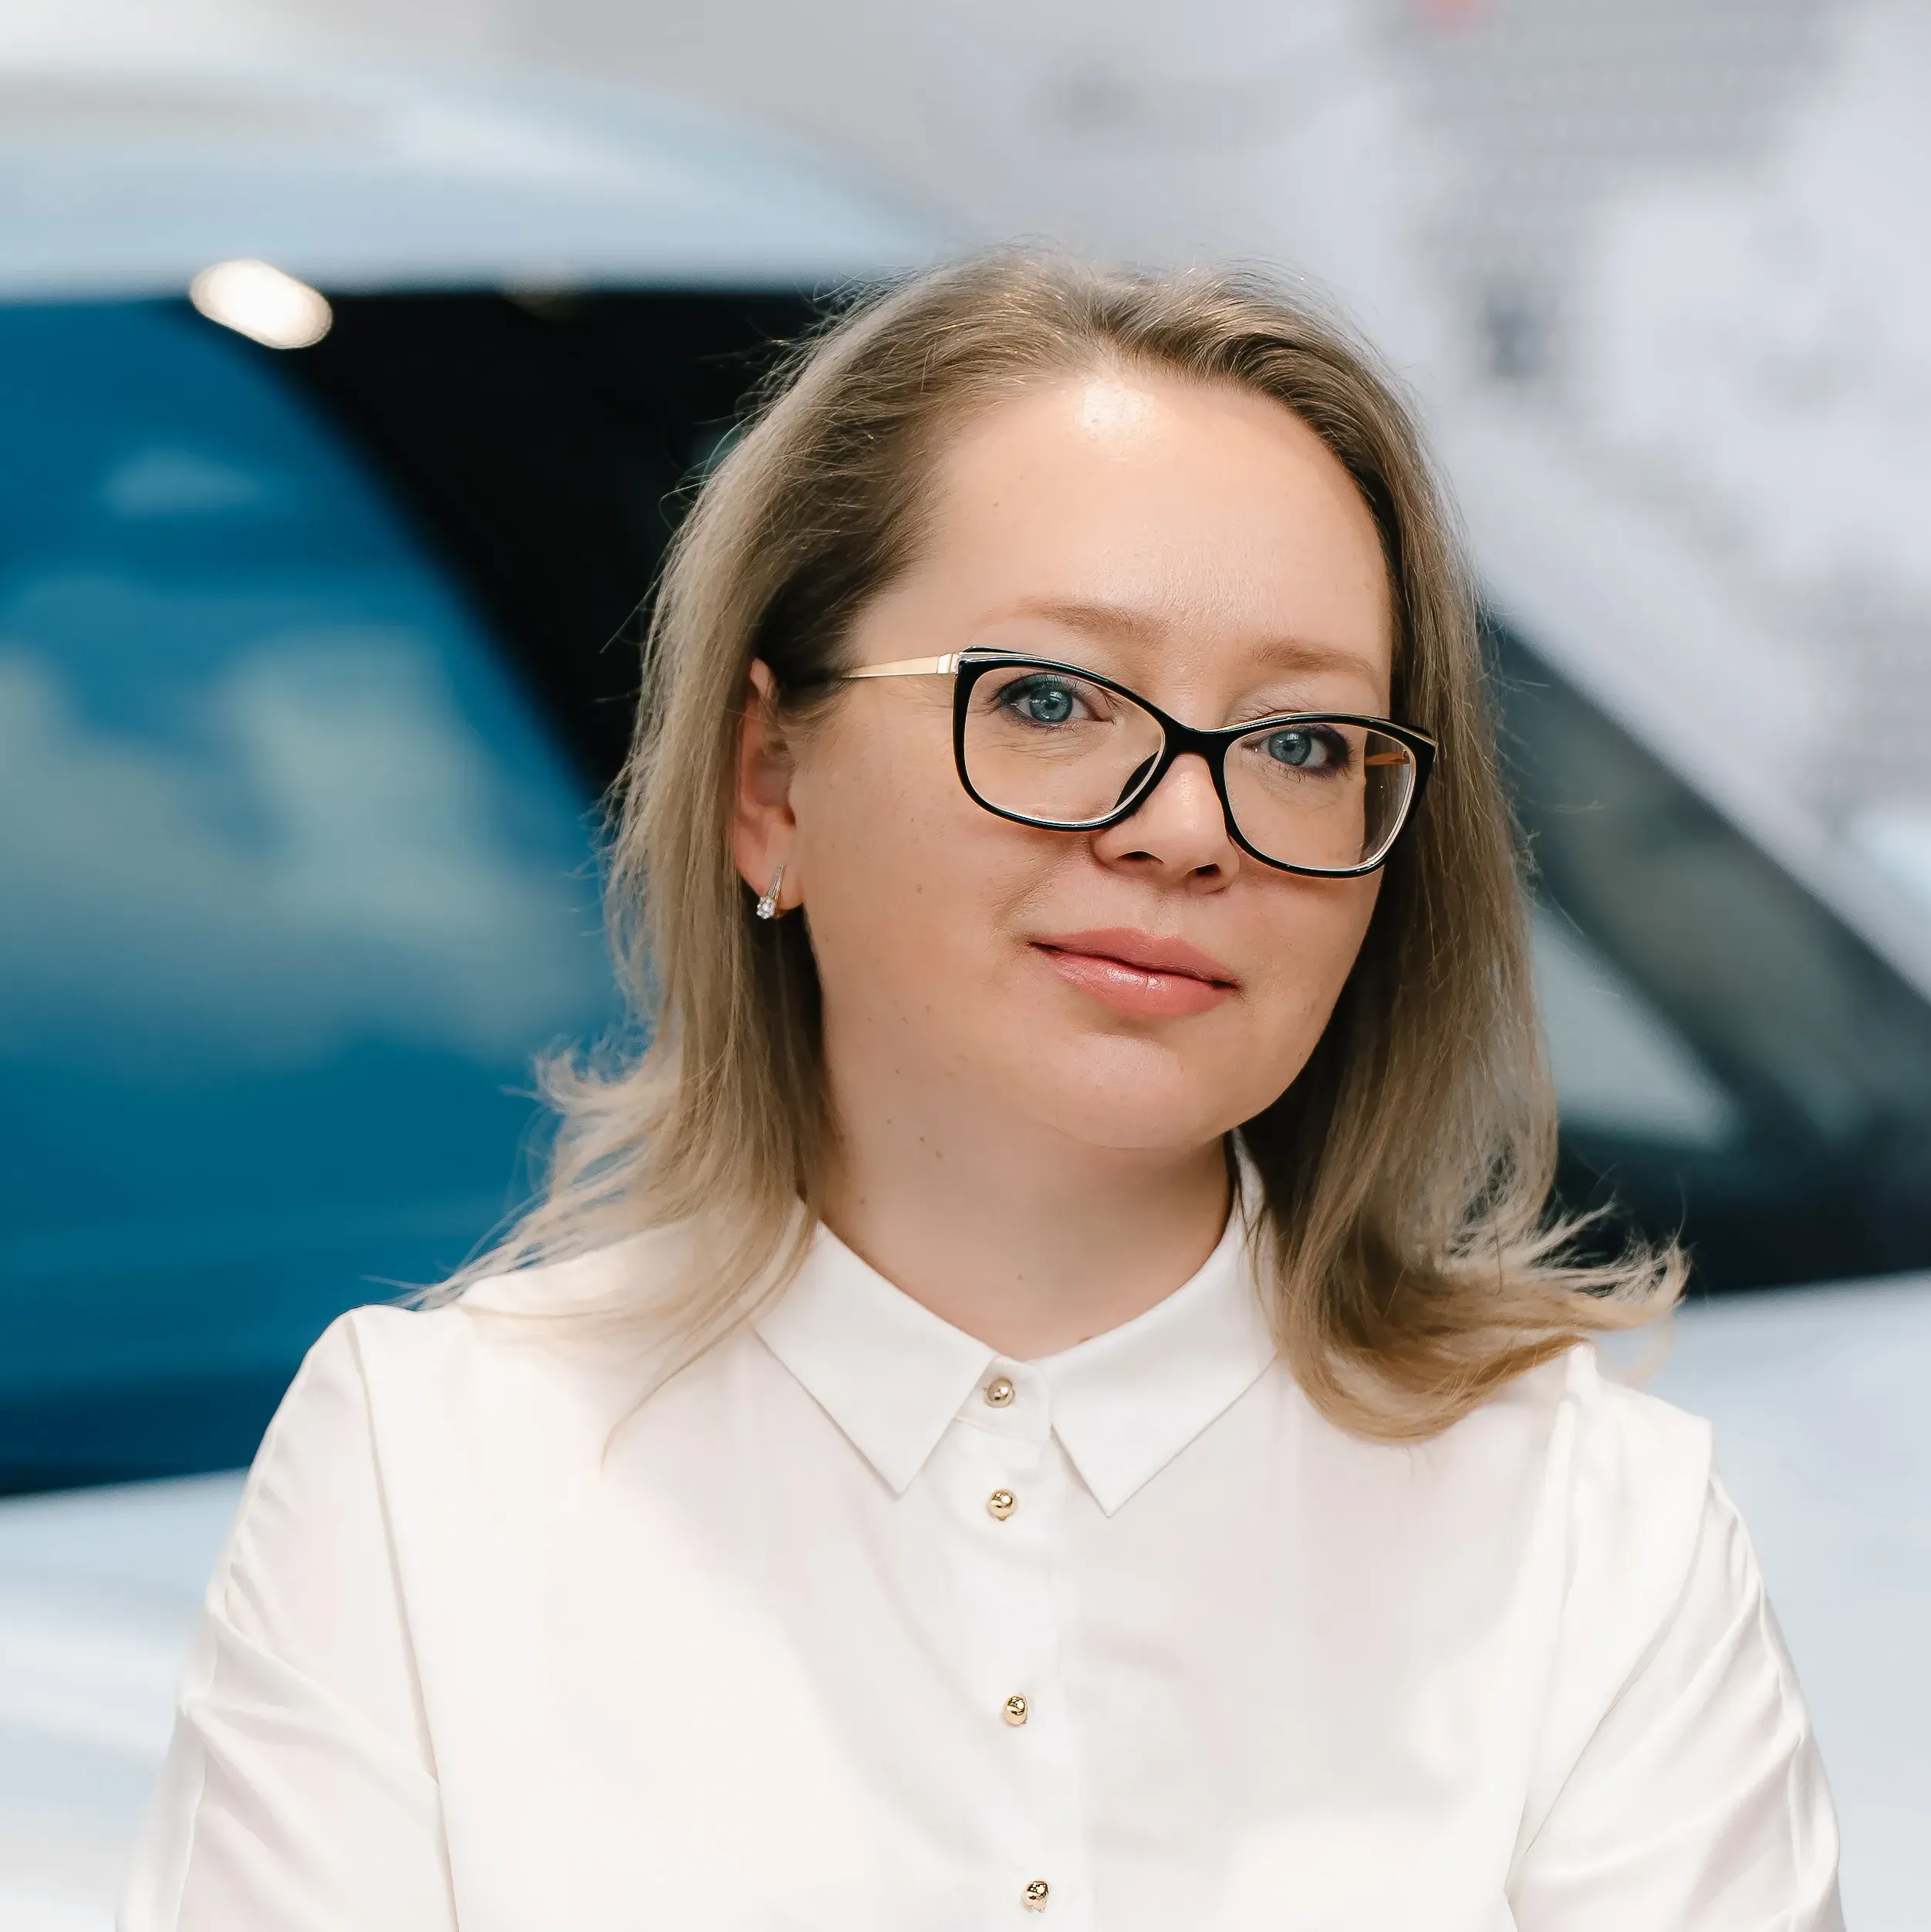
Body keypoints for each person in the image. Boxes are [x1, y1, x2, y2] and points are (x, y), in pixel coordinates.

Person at [120, 253, 1842, 1931]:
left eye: (1303, 741)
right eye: (1046, 700)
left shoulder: (1591, 1533)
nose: (1185, 824)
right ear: (768, 780)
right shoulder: (428, 1474)